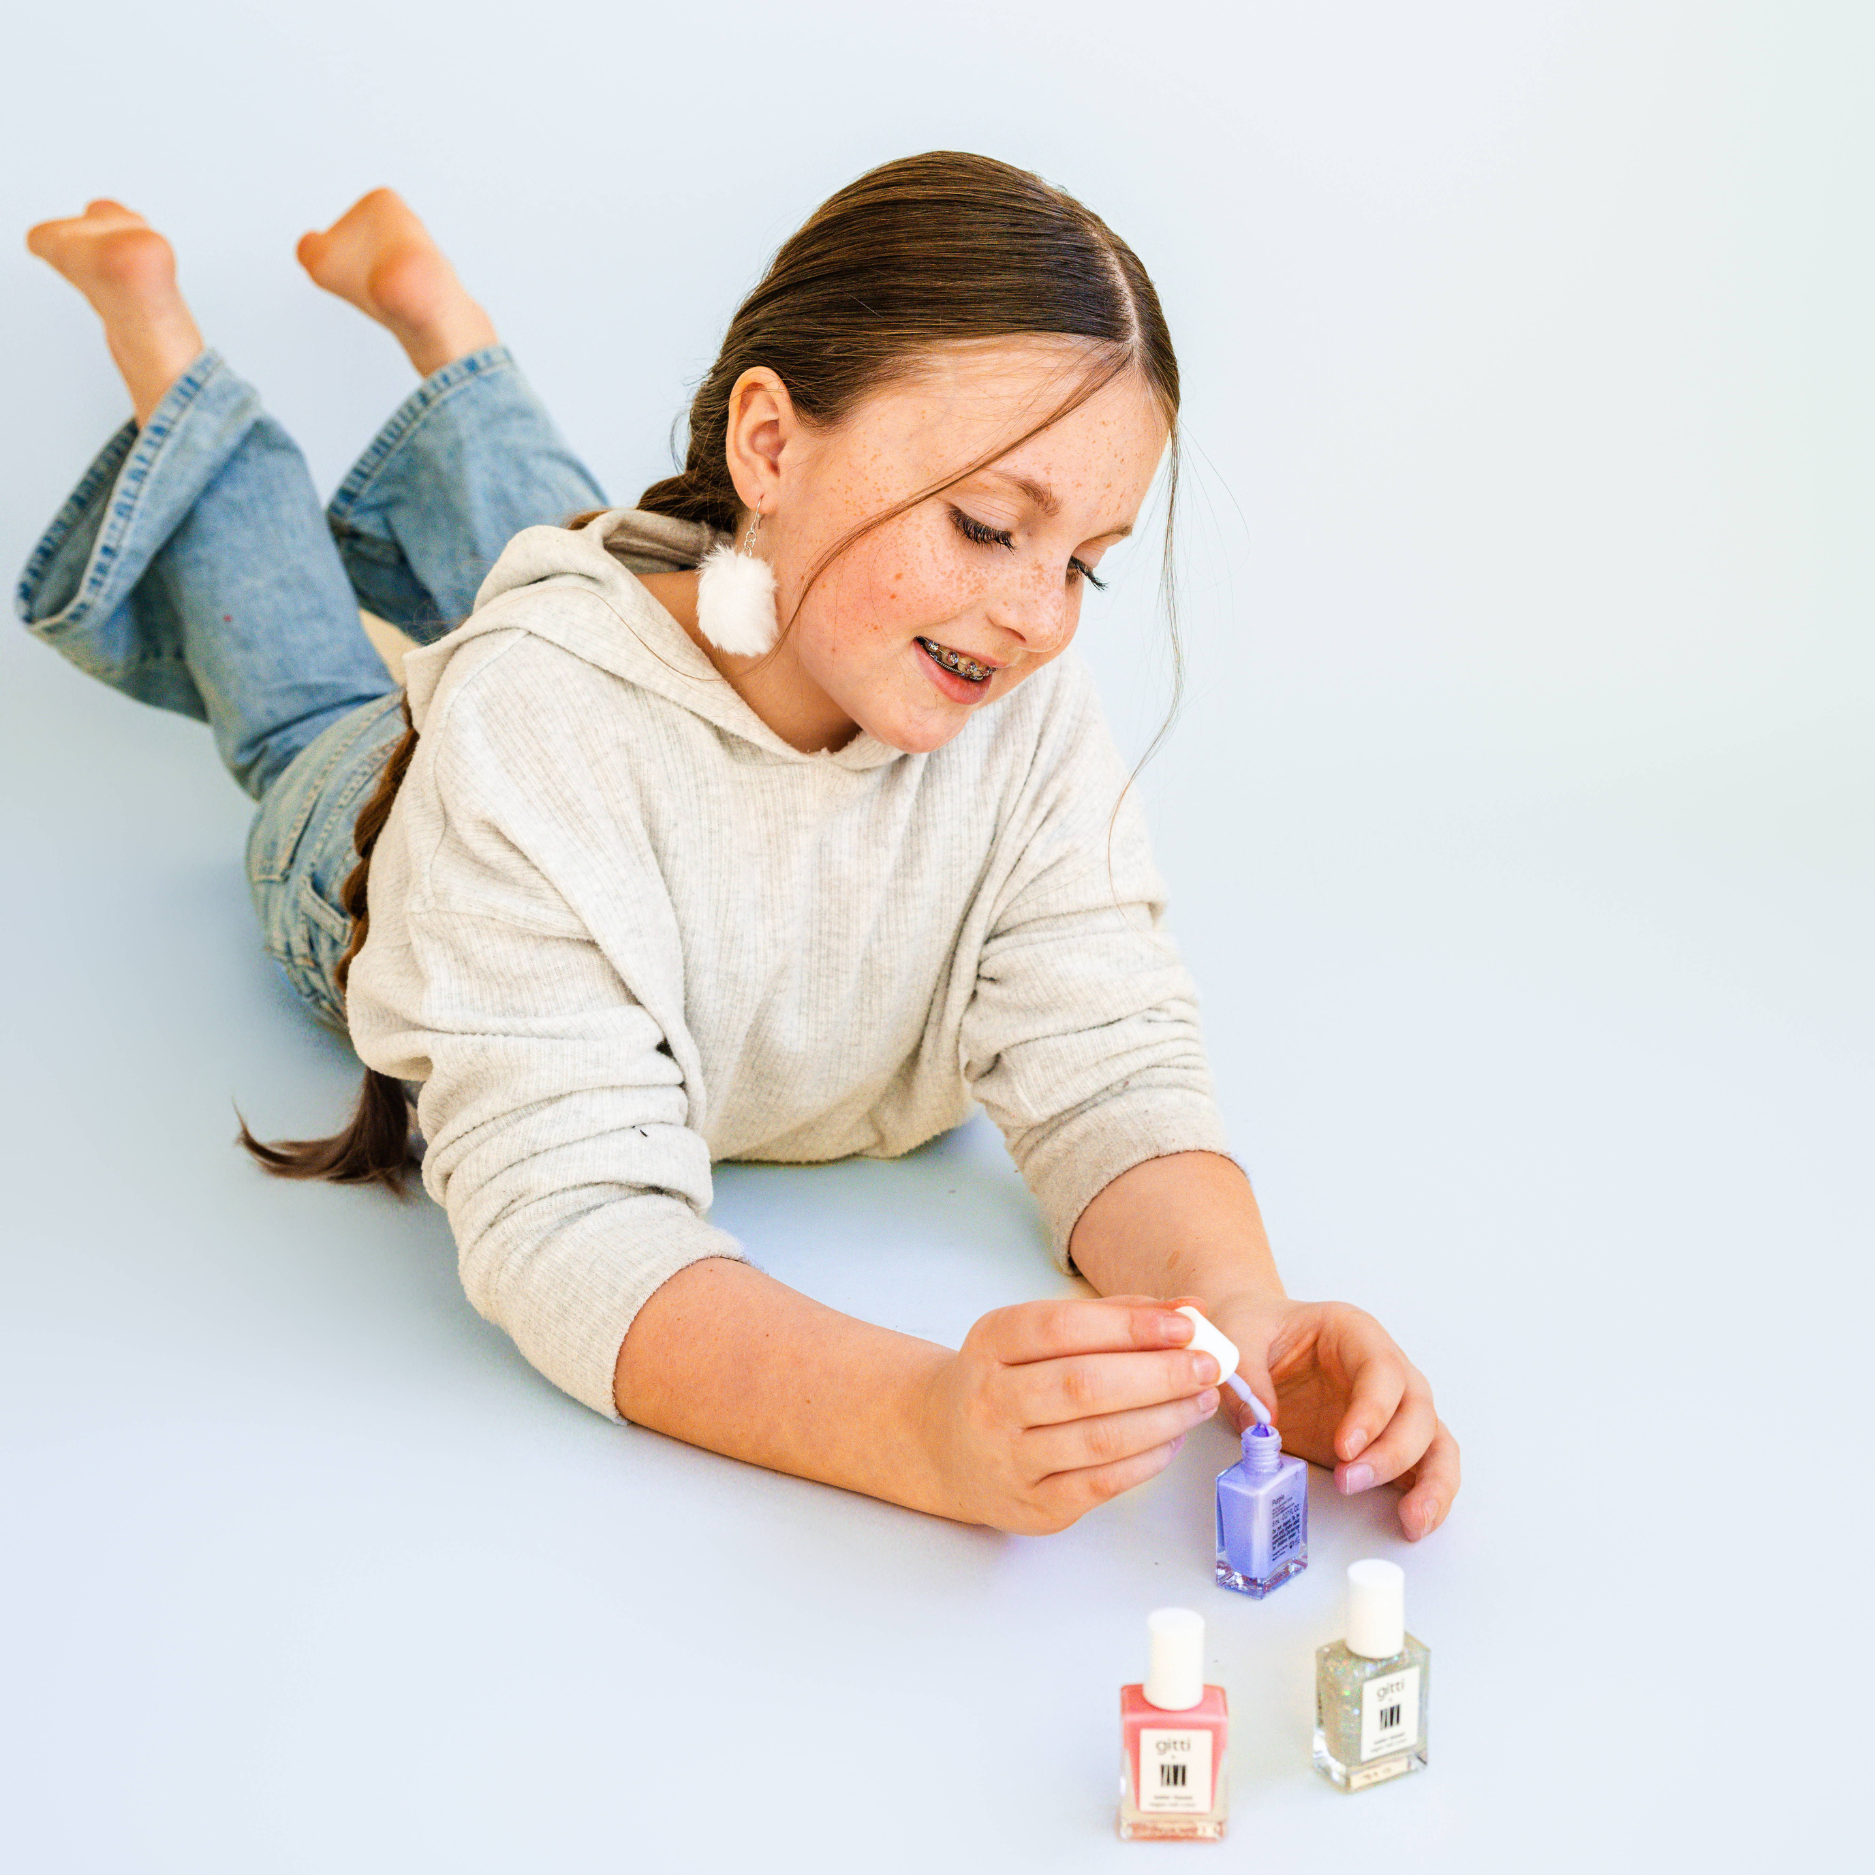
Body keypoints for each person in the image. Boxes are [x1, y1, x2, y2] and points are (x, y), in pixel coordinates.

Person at [18, 153, 1459, 1540]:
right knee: (311, 706)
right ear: (768, 442)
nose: (1036, 617)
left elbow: (1109, 1057)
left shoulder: (1001, 698)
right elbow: (574, 1222)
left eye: (1078, 560)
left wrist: (1245, 1318)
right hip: (369, 819)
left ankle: (431, 310)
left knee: (615, 536)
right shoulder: (531, 727)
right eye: (982, 524)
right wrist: (919, 1423)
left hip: (677, 616)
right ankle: (160, 335)